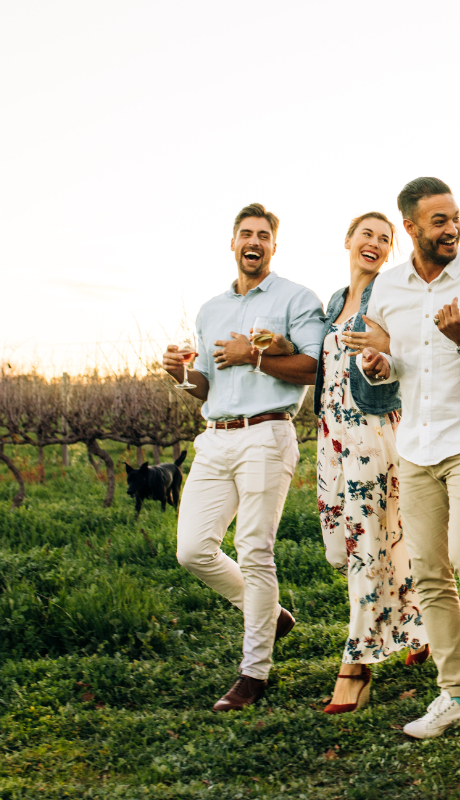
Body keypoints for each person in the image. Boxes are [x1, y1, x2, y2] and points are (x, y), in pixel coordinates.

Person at [358, 178, 460, 738]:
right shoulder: (387, 287)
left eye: (455, 218)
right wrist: (375, 366)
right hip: (416, 444)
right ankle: (453, 693)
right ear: (410, 226)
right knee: (429, 571)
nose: (451, 228)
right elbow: (376, 348)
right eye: (438, 221)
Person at [162, 203, 324, 711]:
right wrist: (179, 374)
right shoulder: (210, 309)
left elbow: (314, 368)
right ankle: (270, 614)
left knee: (255, 549)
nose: (253, 242)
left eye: (263, 235)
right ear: (232, 243)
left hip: (267, 434)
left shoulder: (297, 299)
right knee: (192, 550)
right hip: (216, 437)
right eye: (245, 234)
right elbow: (207, 385)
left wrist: (254, 355)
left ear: (274, 246)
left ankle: (254, 672)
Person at [313, 211, 428, 714]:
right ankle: (417, 623)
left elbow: (408, 355)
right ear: (348, 240)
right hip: (330, 432)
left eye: (385, 239)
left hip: (372, 428)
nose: (376, 244)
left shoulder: (393, 297)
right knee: (348, 543)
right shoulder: (335, 302)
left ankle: (356, 664)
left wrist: (385, 362)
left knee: (366, 543)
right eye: (368, 234)